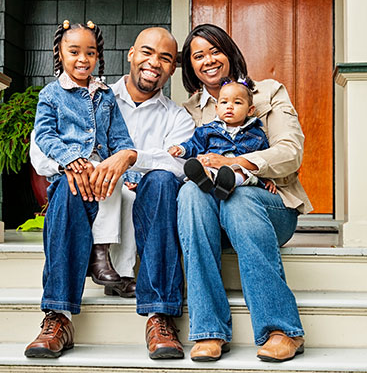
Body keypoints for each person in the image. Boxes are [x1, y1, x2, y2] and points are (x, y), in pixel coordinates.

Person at [26, 27, 195, 359]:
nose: (154, 63)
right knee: (68, 183)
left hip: (147, 205)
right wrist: (75, 167)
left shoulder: (178, 116)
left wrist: (131, 160)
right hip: (86, 196)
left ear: (173, 68)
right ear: (130, 54)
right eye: (147, 52)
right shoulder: (89, 94)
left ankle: (159, 315)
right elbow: (40, 153)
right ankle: (58, 316)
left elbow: (179, 164)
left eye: (165, 57)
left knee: (161, 181)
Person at [177, 23, 313, 363]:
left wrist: (237, 162)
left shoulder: (268, 93)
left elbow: (290, 151)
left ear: (230, 52)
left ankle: (281, 329)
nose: (208, 60)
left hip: (269, 207)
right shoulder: (188, 110)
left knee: (239, 199)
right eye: (198, 55)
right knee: (191, 195)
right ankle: (208, 331)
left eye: (214, 50)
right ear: (190, 65)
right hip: (211, 218)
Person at [24, 19, 136, 358]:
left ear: (99, 56)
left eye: (90, 52)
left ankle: (99, 254)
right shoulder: (51, 94)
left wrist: (124, 164)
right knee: (70, 193)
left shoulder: (105, 96)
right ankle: (57, 313)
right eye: (74, 52)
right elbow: (45, 136)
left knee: (112, 182)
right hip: (69, 173)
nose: (83, 59)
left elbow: (120, 139)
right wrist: (71, 160)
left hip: (101, 170)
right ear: (60, 53)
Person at [168, 77, 277, 200]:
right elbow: (194, 144)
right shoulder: (208, 130)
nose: (229, 107)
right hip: (213, 166)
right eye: (224, 102)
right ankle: (206, 179)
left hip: (241, 172)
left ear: (250, 110)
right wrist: (181, 149)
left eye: (237, 103)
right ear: (216, 108)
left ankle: (228, 184)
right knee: (206, 167)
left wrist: (268, 179)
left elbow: (263, 158)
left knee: (241, 172)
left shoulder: (257, 134)